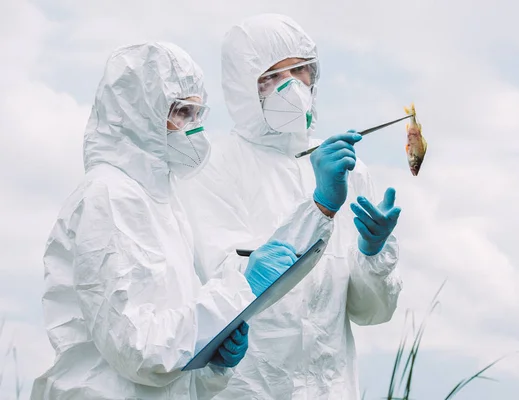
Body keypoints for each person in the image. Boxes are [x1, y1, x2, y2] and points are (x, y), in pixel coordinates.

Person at [30, 41, 297, 400]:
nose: (194, 129)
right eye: (182, 112)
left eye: (198, 114)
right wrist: (239, 289)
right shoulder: (107, 197)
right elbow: (137, 349)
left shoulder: (164, 206)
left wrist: (215, 361)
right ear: (137, 112)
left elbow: (173, 364)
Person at [175, 14, 403, 399]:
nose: (292, 88)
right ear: (242, 86)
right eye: (272, 76)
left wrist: (373, 255)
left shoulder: (348, 168)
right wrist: (321, 207)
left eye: (299, 71)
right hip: (249, 389)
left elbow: (371, 313)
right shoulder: (211, 167)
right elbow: (232, 288)